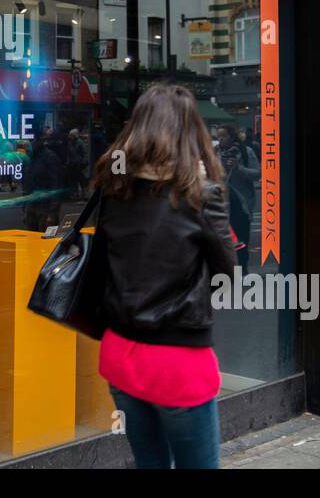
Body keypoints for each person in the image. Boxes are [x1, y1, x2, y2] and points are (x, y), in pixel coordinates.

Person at [92, 82, 235, 469]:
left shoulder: (114, 188)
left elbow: (104, 263)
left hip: (120, 353)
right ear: (191, 133)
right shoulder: (200, 195)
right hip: (178, 364)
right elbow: (227, 272)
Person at [216, 124, 259, 272]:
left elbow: (257, 174)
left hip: (241, 204)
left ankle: (243, 270)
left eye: (224, 136)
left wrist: (238, 168)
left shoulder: (246, 152)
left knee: (241, 239)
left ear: (232, 137)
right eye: (219, 136)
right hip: (221, 203)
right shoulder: (215, 153)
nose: (221, 140)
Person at [66, 127, 89, 198]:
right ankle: (75, 193)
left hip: (79, 164)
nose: (70, 137)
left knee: (81, 179)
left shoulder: (80, 143)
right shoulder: (70, 143)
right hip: (72, 164)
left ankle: (84, 193)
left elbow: (84, 153)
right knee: (73, 179)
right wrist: (68, 162)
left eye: (71, 135)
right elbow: (68, 154)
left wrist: (83, 162)